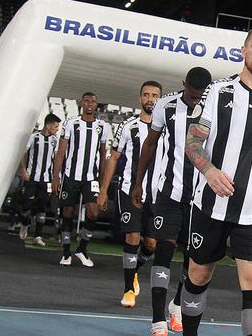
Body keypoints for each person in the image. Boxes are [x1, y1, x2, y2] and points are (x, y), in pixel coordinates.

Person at [178, 25, 252, 336]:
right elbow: (193, 142)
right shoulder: (218, 92)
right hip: (210, 205)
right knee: (198, 276)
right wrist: (209, 171)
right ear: (243, 50)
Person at [131, 67, 212, 336]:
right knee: (163, 252)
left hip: (200, 195)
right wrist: (138, 182)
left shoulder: (214, 106)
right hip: (169, 192)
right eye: (191, 91)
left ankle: (177, 304)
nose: (195, 97)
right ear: (183, 85)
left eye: (200, 93)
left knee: (193, 258)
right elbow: (150, 145)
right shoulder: (166, 106)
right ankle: (157, 322)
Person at [97, 81, 163, 308]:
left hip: (155, 194)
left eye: (155, 95)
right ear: (140, 98)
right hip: (128, 189)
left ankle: (133, 270)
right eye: (146, 94)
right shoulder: (128, 126)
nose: (150, 99)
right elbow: (113, 157)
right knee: (132, 237)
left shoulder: (166, 129)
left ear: (160, 99)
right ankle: (128, 290)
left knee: (152, 244)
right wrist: (103, 191)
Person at [52, 92, 109, 267]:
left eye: (93, 101)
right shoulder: (71, 123)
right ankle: (66, 252)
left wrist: (103, 184)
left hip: (90, 177)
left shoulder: (102, 126)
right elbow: (61, 151)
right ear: (81, 103)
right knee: (67, 213)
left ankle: (82, 249)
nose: (90, 103)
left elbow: (102, 154)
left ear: (96, 104)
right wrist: (56, 177)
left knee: (94, 212)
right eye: (87, 101)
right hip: (71, 175)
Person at [18, 113, 62, 246]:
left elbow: (56, 160)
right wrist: (23, 169)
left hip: (46, 180)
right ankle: (25, 224)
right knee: (26, 205)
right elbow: (22, 153)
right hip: (32, 177)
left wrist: (56, 178)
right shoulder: (34, 137)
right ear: (48, 125)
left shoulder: (55, 140)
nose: (57, 129)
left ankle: (38, 236)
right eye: (55, 126)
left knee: (42, 208)